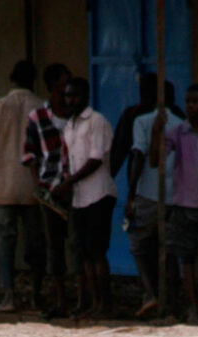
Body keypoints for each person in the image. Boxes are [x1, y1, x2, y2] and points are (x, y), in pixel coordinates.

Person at [0, 60, 45, 312]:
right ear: (33, 80)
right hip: (33, 188)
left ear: (11, 78)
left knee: (5, 244)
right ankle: (37, 294)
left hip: (3, 186)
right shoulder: (40, 107)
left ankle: (8, 296)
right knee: (35, 244)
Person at [152, 84, 198, 325]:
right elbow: (156, 160)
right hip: (184, 204)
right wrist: (156, 132)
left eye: (196, 102)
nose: (191, 106)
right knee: (187, 256)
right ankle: (192, 307)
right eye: (188, 102)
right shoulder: (176, 133)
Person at [54, 77, 117, 318]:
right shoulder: (69, 126)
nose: (70, 100)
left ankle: (105, 306)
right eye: (67, 96)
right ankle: (93, 304)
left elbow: (96, 159)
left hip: (99, 194)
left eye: (75, 96)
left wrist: (68, 182)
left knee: (97, 251)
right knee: (85, 254)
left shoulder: (96, 121)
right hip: (80, 198)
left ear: (86, 96)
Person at [22, 62, 75, 318]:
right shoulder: (37, 117)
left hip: (76, 188)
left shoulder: (77, 114)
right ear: (54, 84)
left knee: (78, 246)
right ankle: (60, 298)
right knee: (54, 247)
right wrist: (40, 186)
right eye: (65, 81)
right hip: (50, 190)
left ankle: (82, 298)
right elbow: (29, 153)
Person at [127, 80, 182, 319]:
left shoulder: (141, 121)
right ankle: (172, 304)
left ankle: (151, 294)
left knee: (140, 245)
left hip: (148, 195)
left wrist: (130, 195)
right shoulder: (182, 124)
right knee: (169, 251)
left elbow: (139, 156)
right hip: (175, 196)